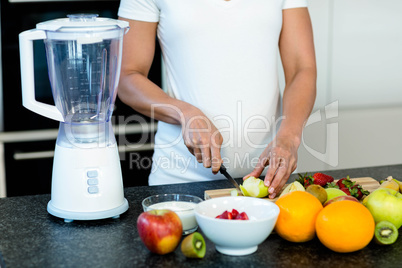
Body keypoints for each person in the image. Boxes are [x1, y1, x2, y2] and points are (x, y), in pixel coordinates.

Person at [117, 0, 317, 199]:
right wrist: (185, 113)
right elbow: (127, 76)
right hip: (180, 182)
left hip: (271, 181)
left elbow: (302, 68)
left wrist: (289, 137)